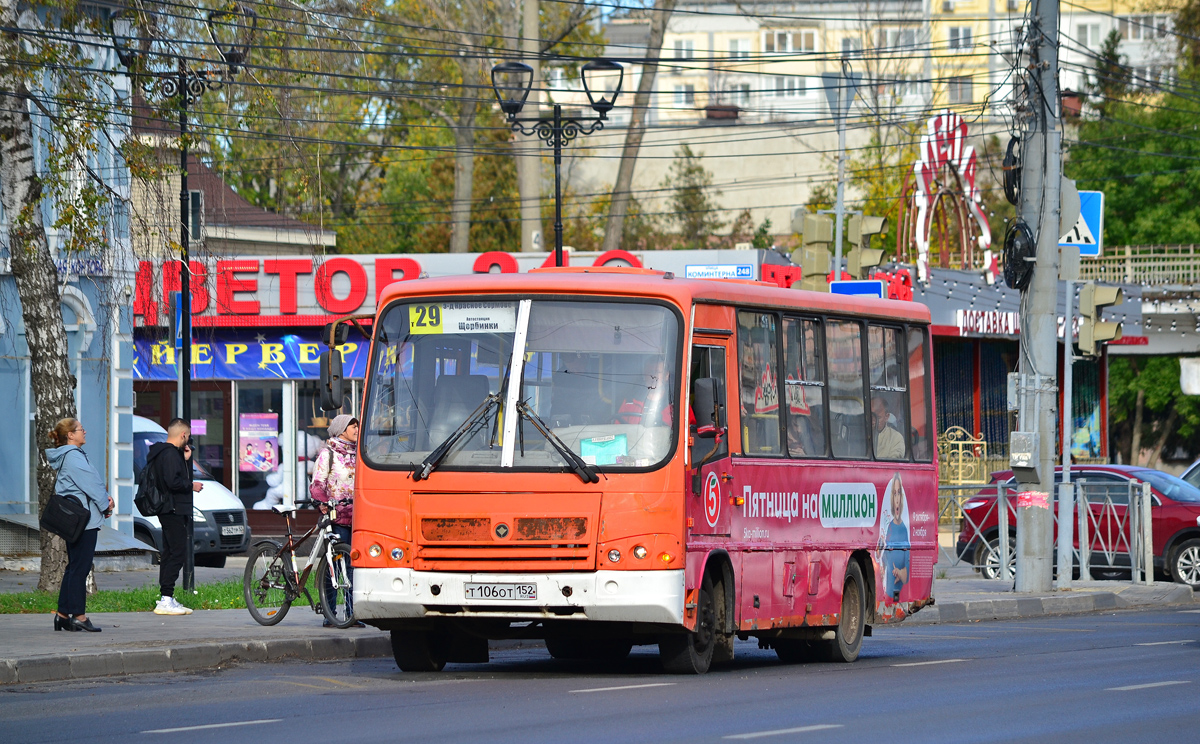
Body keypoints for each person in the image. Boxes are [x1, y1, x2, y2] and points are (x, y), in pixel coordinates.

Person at [46, 419, 113, 632]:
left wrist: (104, 501)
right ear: (70, 435)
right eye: (80, 429)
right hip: (84, 520)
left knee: (74, 567)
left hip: (77, 519)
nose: (84, 431)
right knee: (80, 568)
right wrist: (105, 505)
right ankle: (79, 616)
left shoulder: (70, 455)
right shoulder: (73, 456)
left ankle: (63, 615)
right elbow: (91, 484)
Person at [311, 414, 365, 627]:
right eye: (352, 425)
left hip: (359, 519)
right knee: (334, 564)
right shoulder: (328, 454)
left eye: (357, 425)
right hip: (337, 517)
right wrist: (323, 502)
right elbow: (317, 484)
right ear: (341, 429)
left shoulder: (360, 454)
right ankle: (330, 613)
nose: (356, 428)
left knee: (354, 568)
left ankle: (353, 615)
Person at [147, 419, 204, 616]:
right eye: (187, 436)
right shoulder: (170, 454)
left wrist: (186, 461)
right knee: (177, 552)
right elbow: (174, 482)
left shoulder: (164, 453)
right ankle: (166, 598)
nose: (188, 440)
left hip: (170, 509)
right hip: (173, 509)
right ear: (183, 435)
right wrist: (192, 485)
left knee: (171, 552)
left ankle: (166, 597)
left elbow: (175, 477)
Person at [878, 474, 910, 602]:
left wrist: (900, 573)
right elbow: (880, 556)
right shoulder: (887, 527)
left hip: (897, 592)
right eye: (894, 494)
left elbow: (907, 570)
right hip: (885, 589)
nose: (897, 499)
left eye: (899, 494)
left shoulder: (904, 529)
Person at [615, 357, 672, 426]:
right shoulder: (629, 402)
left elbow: (686, 430)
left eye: (657, 372)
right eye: (650, 372)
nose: (653, 376)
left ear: (666, 375)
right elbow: (619, 429)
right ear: (644, 375)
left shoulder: (677, 404)